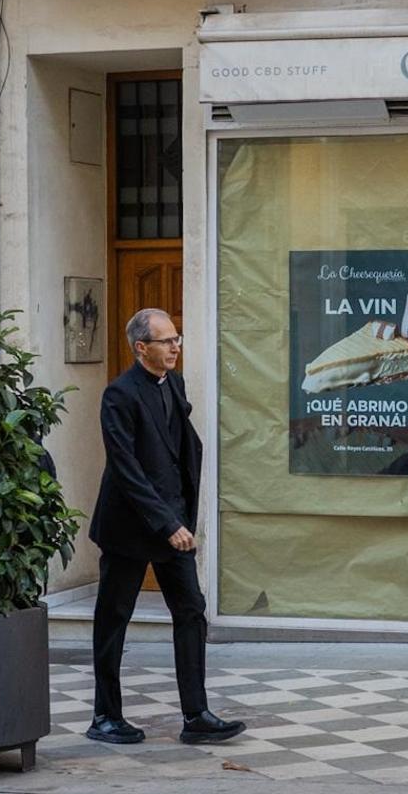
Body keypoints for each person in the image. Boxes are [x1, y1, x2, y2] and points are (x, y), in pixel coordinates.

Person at [86, 308, 246, 745]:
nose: (176, 346)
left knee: (191, 611)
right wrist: (165, 522)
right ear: (142, 348)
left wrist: (183, 513)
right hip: (129, 529)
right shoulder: (119, 395)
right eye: (166, 340)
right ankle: (105, 716)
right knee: (113, 618)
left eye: (177, 339)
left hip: (173, 523)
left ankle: (196, 715)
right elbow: (127, 468)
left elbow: (178, 448)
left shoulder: (171, 382)